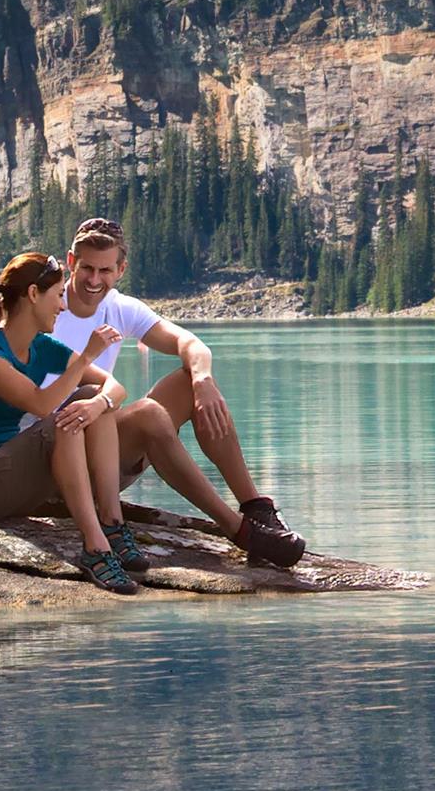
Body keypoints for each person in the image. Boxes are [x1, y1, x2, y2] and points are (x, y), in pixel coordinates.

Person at [40, 217, 308, 569]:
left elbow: (189, 342)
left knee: (188, 380)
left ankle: (256, 508)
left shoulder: (120, 308)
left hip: (100, 446)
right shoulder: (47, 307)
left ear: (121, 269)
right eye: (86, 268)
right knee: (145, 413)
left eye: (105, 270)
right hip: (54, 453)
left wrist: (203, 381)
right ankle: (237, 530)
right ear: (71, 262)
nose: (94, 280)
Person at [0, 250, 142, 593]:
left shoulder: (41, 346)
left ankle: (111, 522)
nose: (63, 306)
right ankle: (95, 548)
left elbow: (115, 386)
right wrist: (87, 355)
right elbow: (42, 404)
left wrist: (100, 403)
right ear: (33, 294)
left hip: (9, 476)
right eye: (58, 295)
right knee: (64, 420)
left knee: (92, 400)